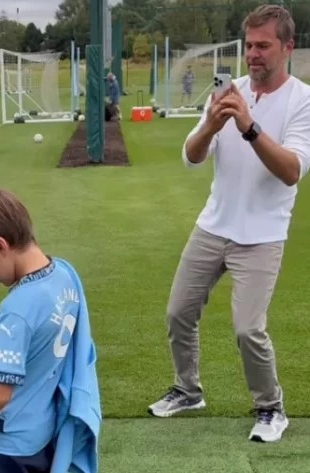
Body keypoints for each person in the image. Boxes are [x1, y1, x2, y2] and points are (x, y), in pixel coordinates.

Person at [148, 4, 310, 443]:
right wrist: (212, 123)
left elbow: (292, 170)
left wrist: (248, 125)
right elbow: (191, 156)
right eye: (249, 46)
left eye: (264, 46)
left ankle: (270, 407)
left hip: (262, 236)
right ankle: (187, 389)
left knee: (247, 329)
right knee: (178, 311)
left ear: (287, 47)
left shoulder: (302, 100)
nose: (253, 55)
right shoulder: (226, 90)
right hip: (213, 225)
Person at [0, 187, 101, 473]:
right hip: (43, 435)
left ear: (0, 245)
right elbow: (41, 346)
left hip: (8, 447)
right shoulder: (64, 275)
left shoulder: (17, 308)